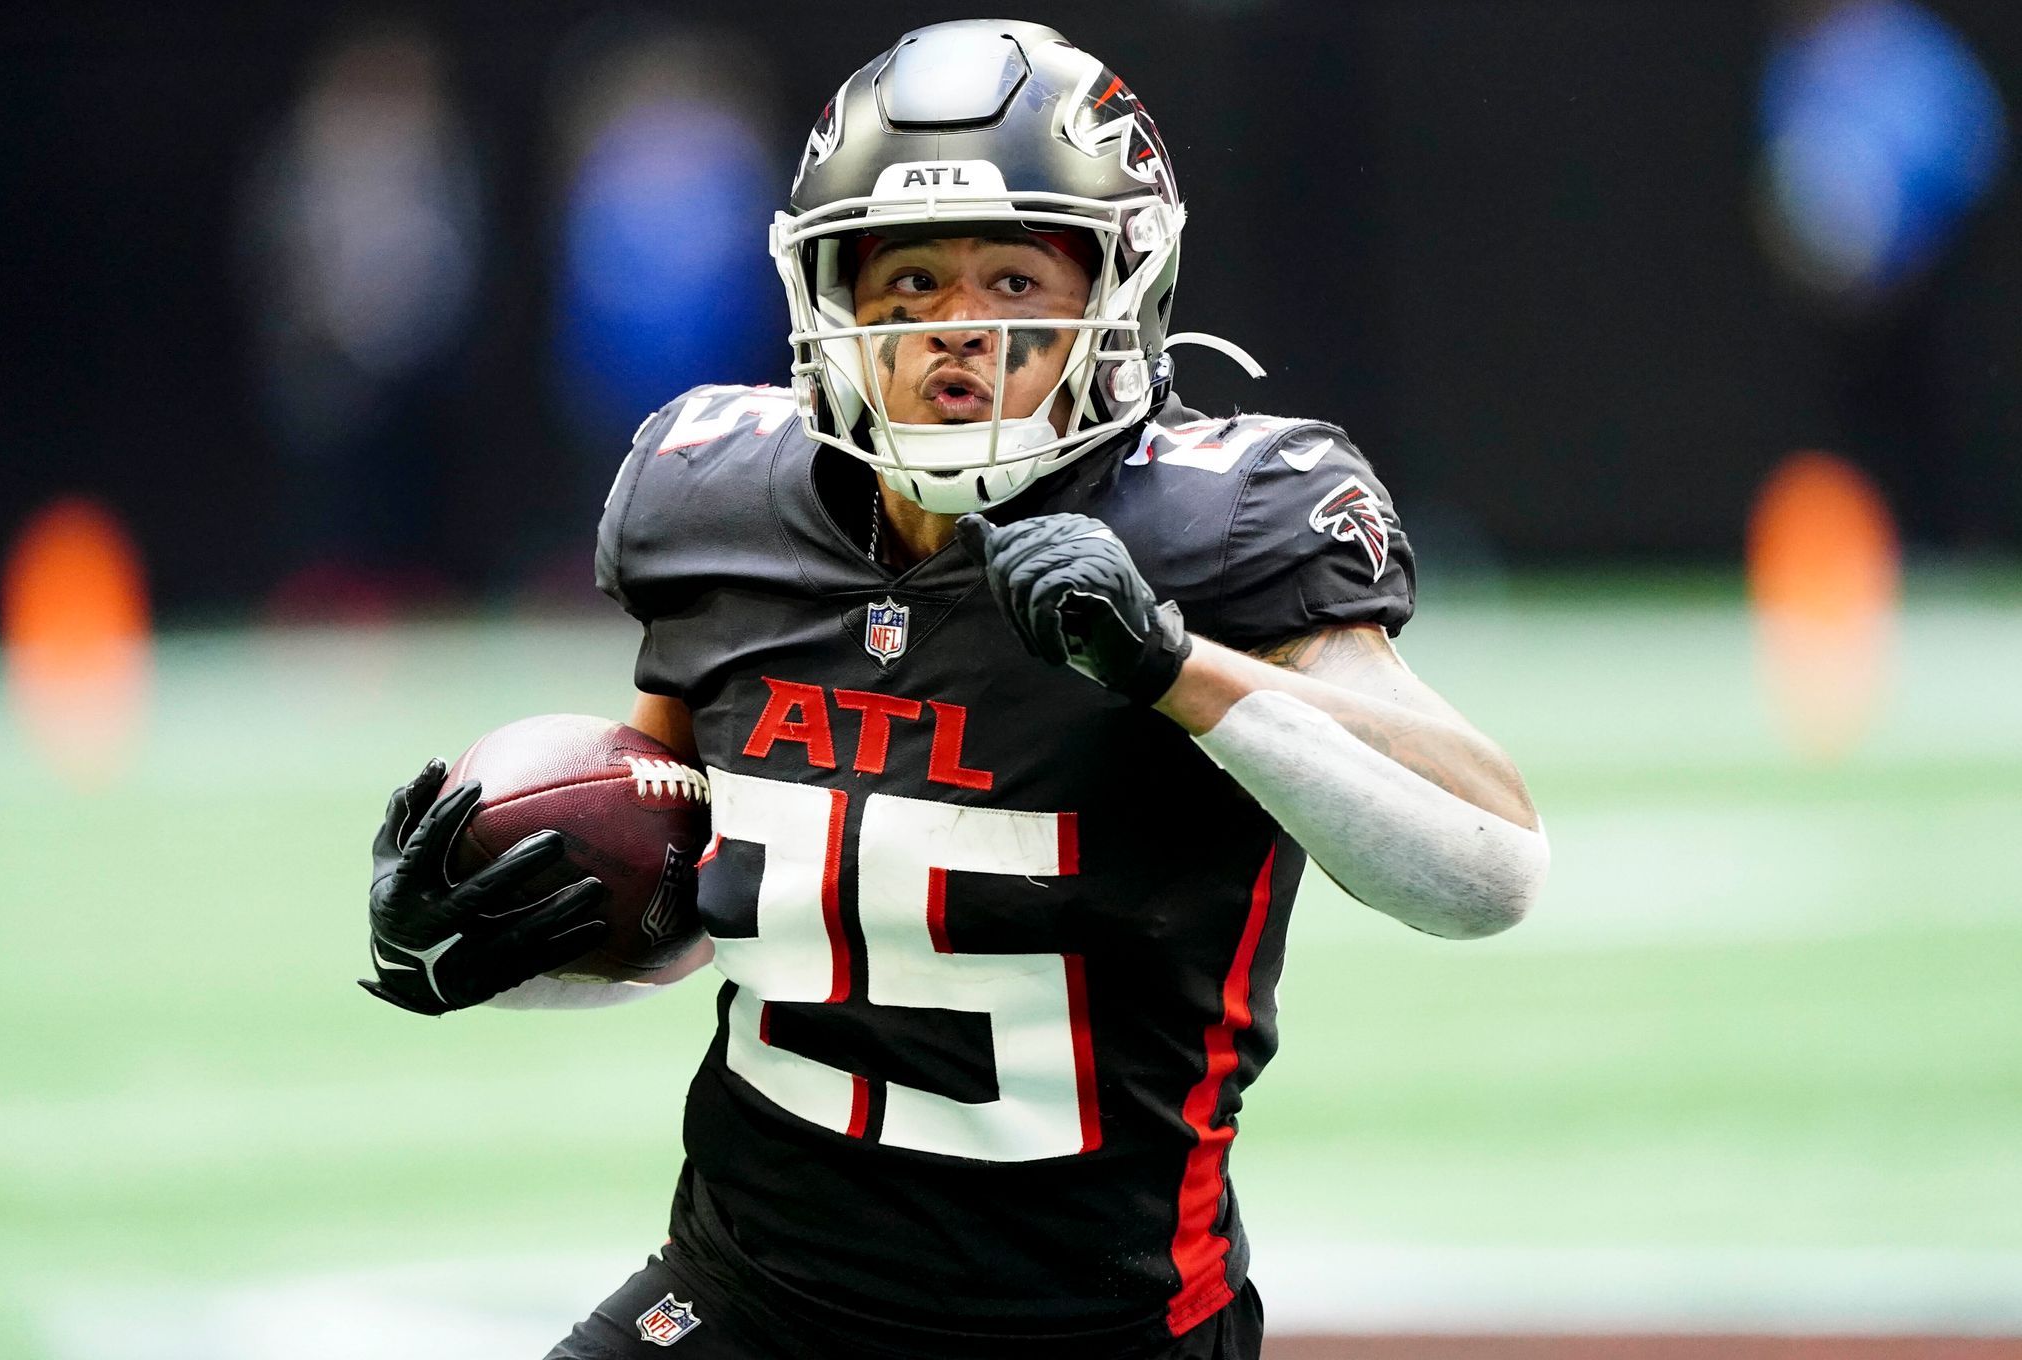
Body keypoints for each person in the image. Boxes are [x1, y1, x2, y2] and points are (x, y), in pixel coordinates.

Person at [362, 19, 1547, 1359]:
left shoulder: (1221, 527)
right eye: (910, 280)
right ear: (834, 301)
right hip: (750, 1293)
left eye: (1012, 282)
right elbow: (710, 907)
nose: (955, 333)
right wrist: (490, 935)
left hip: (1092, 1325)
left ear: (1116, 290)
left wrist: (1175, 669)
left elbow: (1492, 868)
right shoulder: (715, 502)